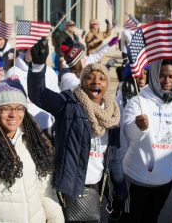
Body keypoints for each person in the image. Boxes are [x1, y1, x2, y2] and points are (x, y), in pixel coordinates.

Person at [28, 39, 128, 222]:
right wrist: (37, 66)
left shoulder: (113, 113)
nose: (95, 82)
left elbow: (114, 154)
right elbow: (39, 95)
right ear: (82, 82)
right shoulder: (69, 104)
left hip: (96, 187)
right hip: (69, 187)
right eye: (89, 77)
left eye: (101, 78)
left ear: (107, 84)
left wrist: (120, 184)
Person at [0, 79, 64, 223]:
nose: (13, 114)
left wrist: (56, 219)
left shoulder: (34, 143)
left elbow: (46, 191)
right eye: (6, 108)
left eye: (19, 108)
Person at [122, 59, 172, 223]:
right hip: (136, 178)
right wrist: (139, 127)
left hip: (164, 180)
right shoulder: (137, 102)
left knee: (152, 218)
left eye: (171, 77)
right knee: (130, 219)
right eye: (162, 76)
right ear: (153, 75)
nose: (167, 81)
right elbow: (129, 135)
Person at [5, 49, 60, 135]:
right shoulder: (13, 73)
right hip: (23, 130)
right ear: (27, 50)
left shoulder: (50, 72)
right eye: (34, 49)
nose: (36, 53)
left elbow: (57, 102)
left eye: (40, 50)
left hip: (47, 128)